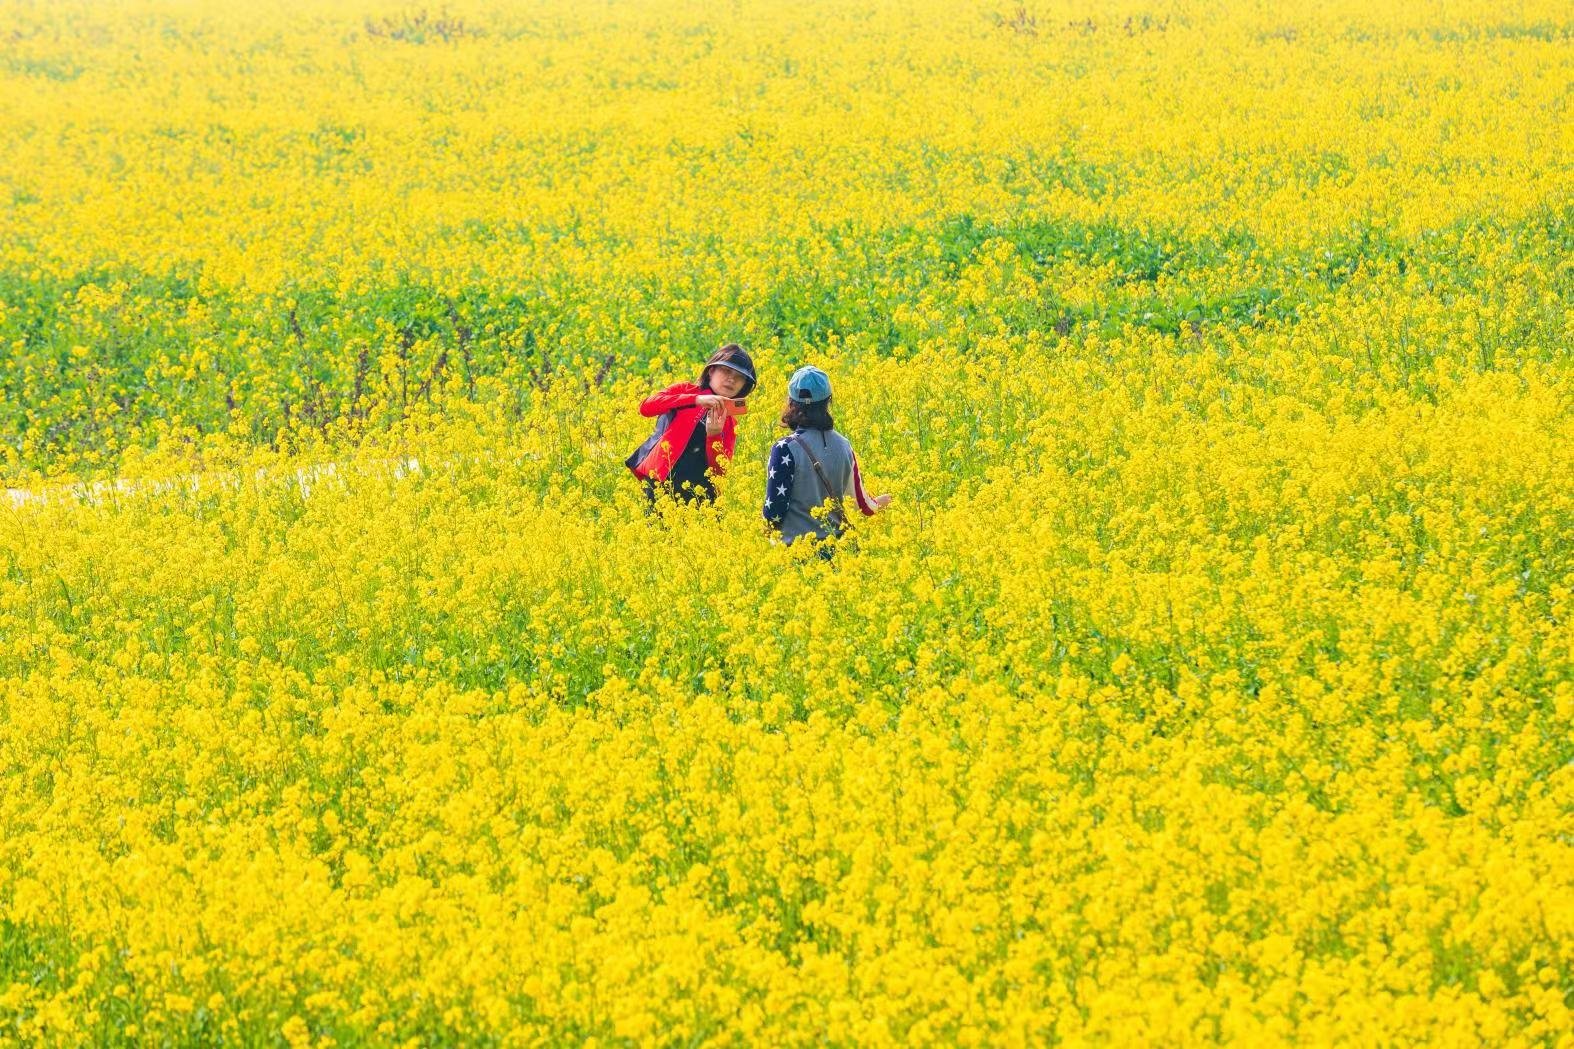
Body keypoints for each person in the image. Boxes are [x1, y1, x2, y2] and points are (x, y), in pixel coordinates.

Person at [763, 365, 891, 547]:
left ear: (791, 403)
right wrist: (880, 503)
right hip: (837, 551)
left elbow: (774, 512)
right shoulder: (844, 445)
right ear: (828, 401)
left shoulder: (784, 449)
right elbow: (862, 505)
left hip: (796, 554)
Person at [626, 344, 756, 505]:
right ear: (711, 371)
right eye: (726, 370)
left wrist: (714, 435)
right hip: (660, 488)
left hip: (701, 501)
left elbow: (719, 472)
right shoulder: (685, 390)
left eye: (739, 377)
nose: (732, 379)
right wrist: (696, 399)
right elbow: (646, 407)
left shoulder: (729, 422)